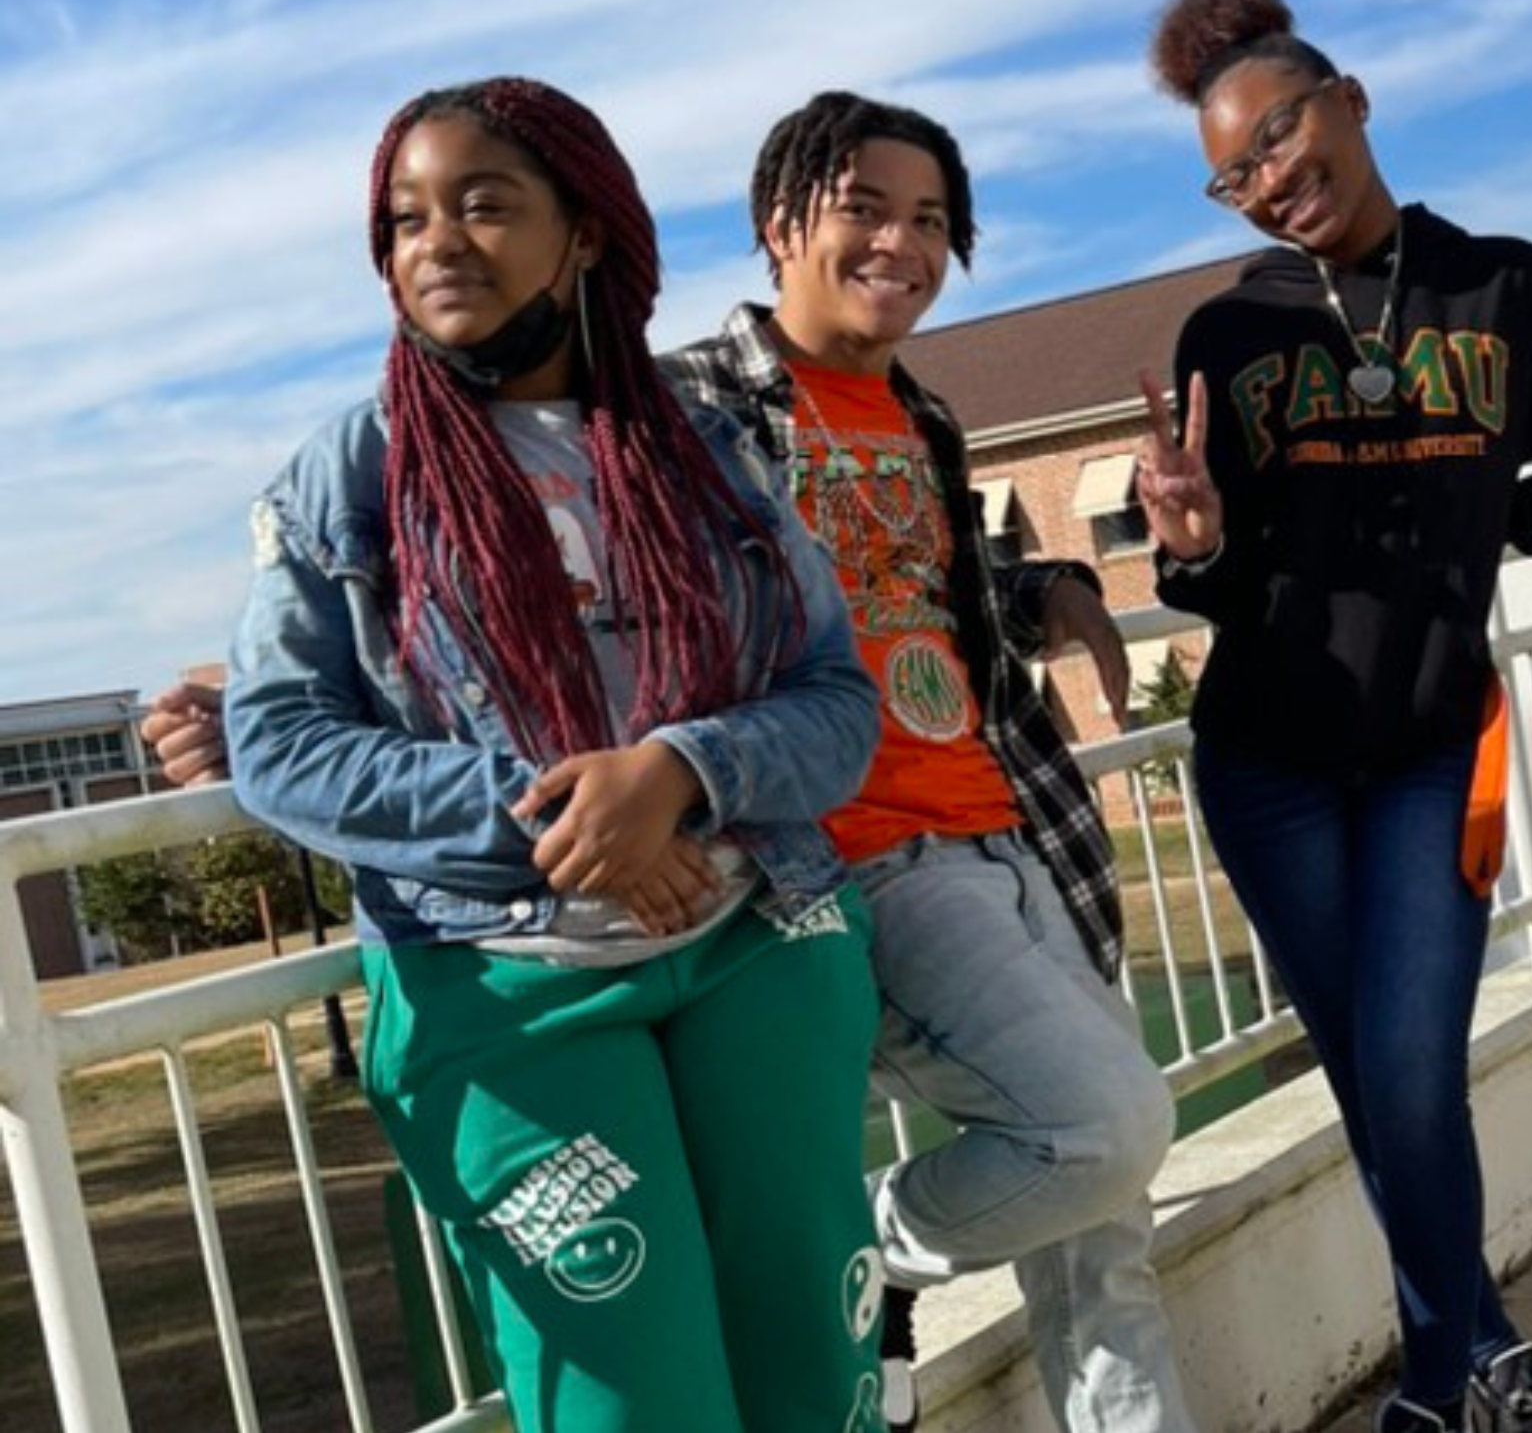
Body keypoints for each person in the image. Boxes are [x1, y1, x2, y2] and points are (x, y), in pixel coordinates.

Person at [220, 77, 886, 1433]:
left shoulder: (702, 450)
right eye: (405, 222)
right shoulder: (352, 475)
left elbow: (835, 701)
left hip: (759, 942)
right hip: (500, 989)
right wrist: (570, 817)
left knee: (816, 1386)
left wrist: (683, 774)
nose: (438, 244)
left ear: (584, 232)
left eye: (482, 204)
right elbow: (278, 744)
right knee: (635, 1409)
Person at [1133, 0, 1532, 1433]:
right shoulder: (1231, 339)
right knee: (1375, 1087)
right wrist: (1186, 555)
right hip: (1266, 761)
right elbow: (1220, 577)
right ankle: (1495, 1358)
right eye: (1231, 174)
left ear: (1351, 102)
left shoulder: (1506, 290)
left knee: (1410, 1074)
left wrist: (1527, 516)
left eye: (1277, 139)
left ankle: (1437, 1393)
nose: (1264, 181)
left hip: (1437, 747)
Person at [661, 91, 1198, 1433]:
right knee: (1102, 1133)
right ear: (778, 223)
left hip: (1017, 835)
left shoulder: (923, 414)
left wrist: (1048, 587)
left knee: (1105, 1225)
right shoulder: (680, 409)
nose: (901, 243)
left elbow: (919, 586)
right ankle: (861, 1257)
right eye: (865, 211)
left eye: (932, 223)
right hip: (863, 857)